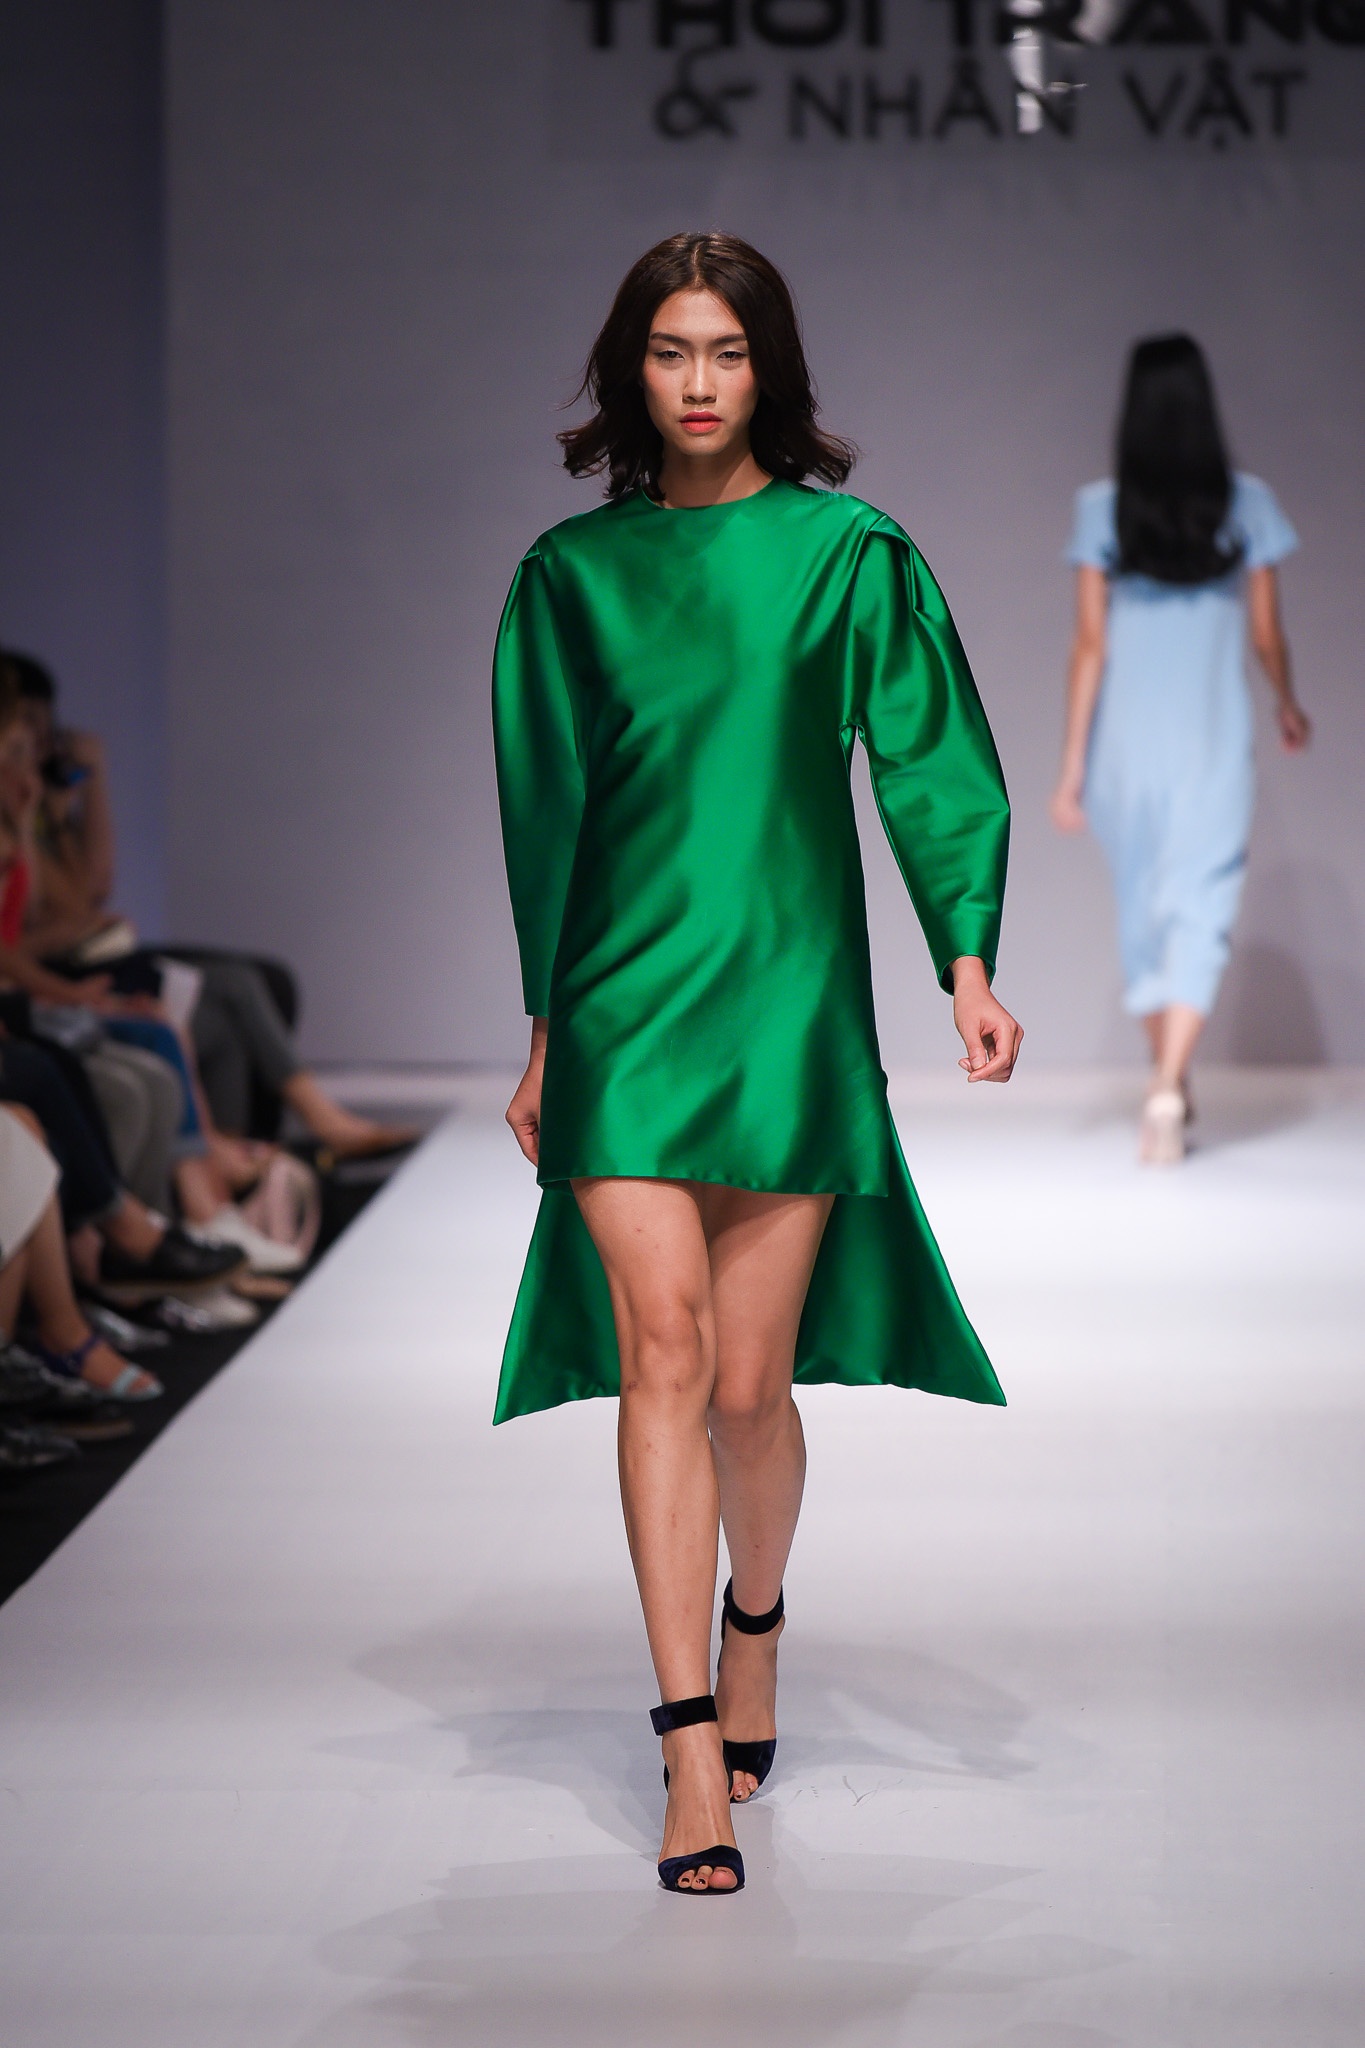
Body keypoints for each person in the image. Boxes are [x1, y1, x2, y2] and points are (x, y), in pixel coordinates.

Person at [492, 233, 1021, 1896]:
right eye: (670, 350)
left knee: (743, 1390)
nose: (700, 381)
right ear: (630, 371)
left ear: (768, 368)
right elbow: (545, 815)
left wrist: (966, 957)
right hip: (622, 1007)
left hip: (787, 1004)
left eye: (726, 350)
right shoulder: (569, 577)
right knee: (661, 1349)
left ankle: (758, 1621)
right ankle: (685, 1746)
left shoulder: (848, 553)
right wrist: (543, 1028)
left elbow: (928, 752)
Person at [1049, 334, 1310, 1163]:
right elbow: (1265, 633)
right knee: (1202, 904)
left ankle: (1167, 1076)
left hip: (1124, 747)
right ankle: (1168, 1083)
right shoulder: (1248, 505)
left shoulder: (1100, 509)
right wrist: (1287, 702)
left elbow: (1088, 647)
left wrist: (1071, 766)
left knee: (1143, 910)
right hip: (1211, 736)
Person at [6, 652, 416, 1160]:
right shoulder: (17, 817)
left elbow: (94, 889)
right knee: (229, 997)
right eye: (24, 726)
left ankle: (245, 1159)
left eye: (42, 724)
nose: (40, 739)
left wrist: (90, 785)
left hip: (86, 955)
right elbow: (41, 920)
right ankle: (283, 1141)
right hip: (63, 970)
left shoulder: (36, 802)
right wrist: (32, 829)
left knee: (263, 983)